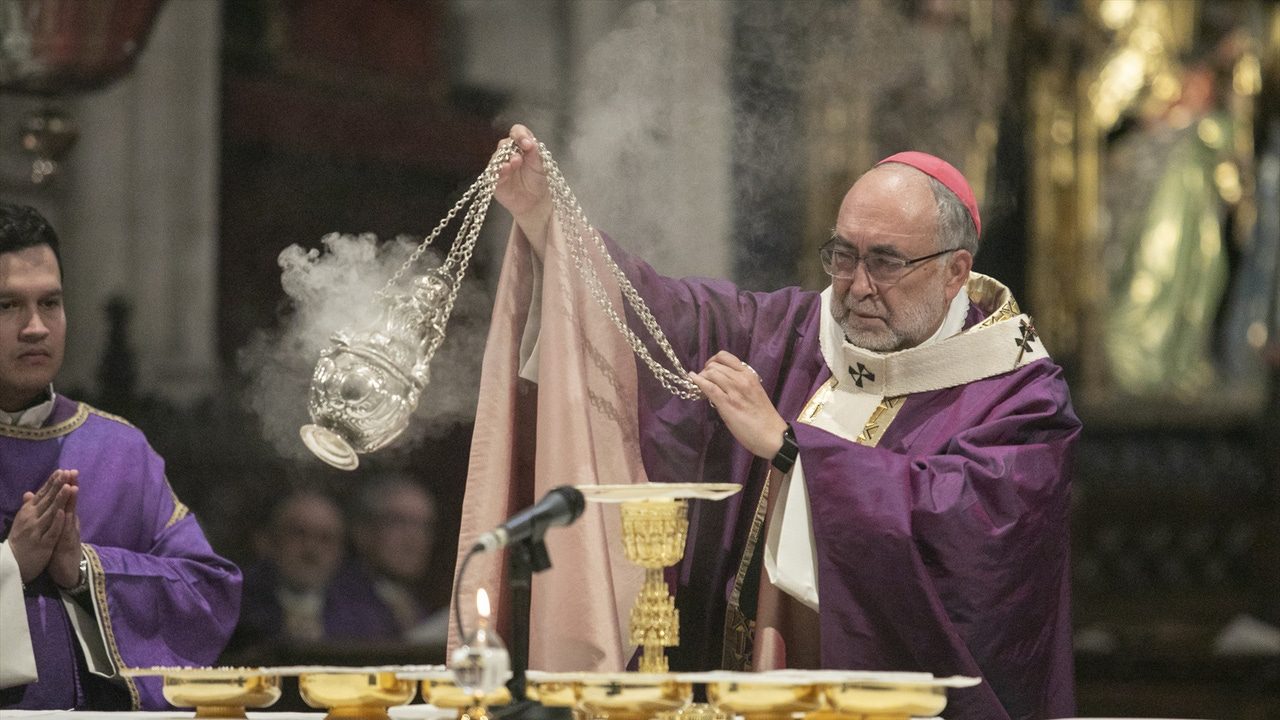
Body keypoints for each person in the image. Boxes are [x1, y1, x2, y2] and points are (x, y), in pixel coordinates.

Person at [460, 125, 1081, 720]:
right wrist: (554, 225)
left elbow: (974, 544)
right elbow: (669, 318)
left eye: (886, 263)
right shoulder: (795, 337)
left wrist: (792, 451)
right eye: (843, 257)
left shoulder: (1020, 396)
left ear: (955, 271)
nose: (857, 287)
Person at [0, 202, 241, 710]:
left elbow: (210, 593)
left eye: (50, 303)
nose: (36, 327)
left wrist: (84, 570)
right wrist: (10, 565)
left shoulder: (118, 450)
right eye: (8, 306)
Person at [229, 489, 348, 654]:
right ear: (268, 541)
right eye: (298, 534)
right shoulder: (234, 607)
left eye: (326, 539)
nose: (312, 550)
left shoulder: (362, 617)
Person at [336, 475, 447, 645]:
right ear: (363, 531)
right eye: (399, 522)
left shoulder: (411, 604)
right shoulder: (339, 603)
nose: (413, 538)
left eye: (424, 526)